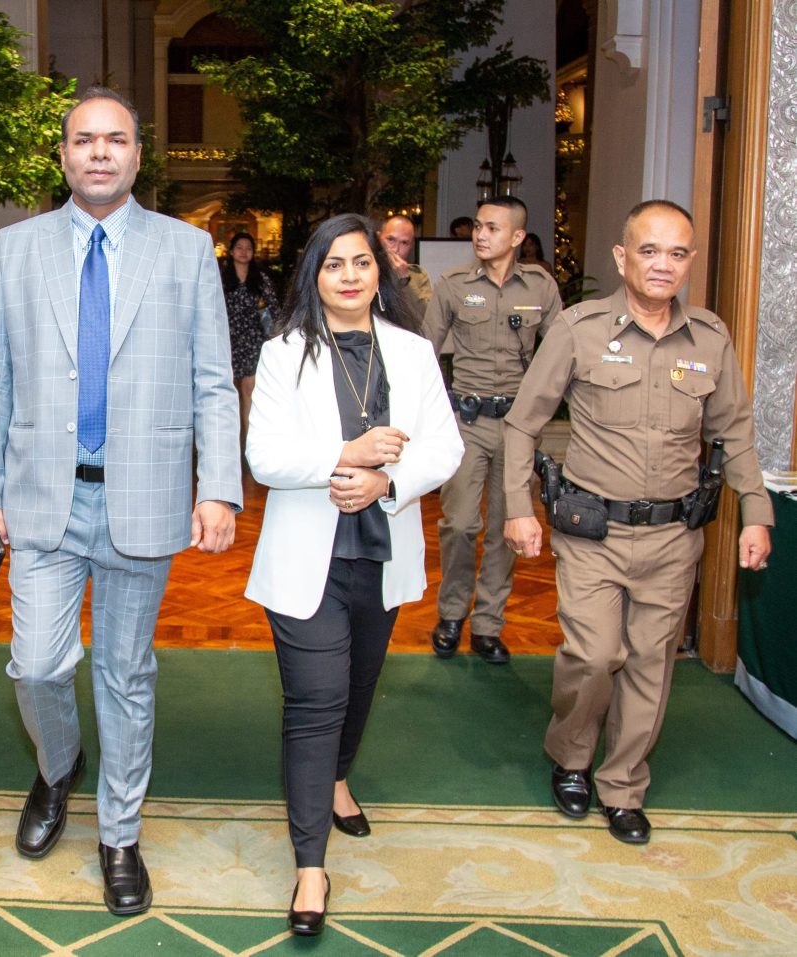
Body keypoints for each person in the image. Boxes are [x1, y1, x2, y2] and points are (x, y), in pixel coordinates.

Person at [0, 86, 241, 917]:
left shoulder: (186, 249)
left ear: (137, 156)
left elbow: (213, 380)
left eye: (115, 139)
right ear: (62, 156)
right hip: (40, 497)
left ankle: (120, 834)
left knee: (125, 674)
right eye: (84, 139)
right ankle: (58, 767)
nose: (99, 152)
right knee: (37, 664)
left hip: (143, 499)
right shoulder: (16, 248)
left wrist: (218, 486)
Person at [503, 200, 772, 844]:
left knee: (652, 663)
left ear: (690, 261)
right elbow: (522, 422)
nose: (662, 264)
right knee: (595, 656)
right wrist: (517, 507)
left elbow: (734, 434)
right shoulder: (579, 328)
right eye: (649, 251)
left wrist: (756, 514)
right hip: (593, 531)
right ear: (623, 257)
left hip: (675, 537)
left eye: (676, 253)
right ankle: (572, 755)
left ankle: (622, 785)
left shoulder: (709, 337)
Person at [245, 214, 463, 936]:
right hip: (305, 559)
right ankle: (311, 866)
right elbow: (265, 457)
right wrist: (351, 453)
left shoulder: (413, 351)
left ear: (380, 272)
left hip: (382, 550)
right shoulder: (284, 353)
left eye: (361, 262)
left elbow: (445, 447)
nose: (348, 275)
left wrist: (386, 481)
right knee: (316, 699)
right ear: (314, 274)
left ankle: (339, 776)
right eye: (333, 263)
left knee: (361, 683)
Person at [423, 196, 562, 664]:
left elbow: (561, 356)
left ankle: (487, 625)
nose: (480, 235)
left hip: (519, 427)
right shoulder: (453, 284)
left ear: (518, 237)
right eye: (478, 226)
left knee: (508, 526)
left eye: (492, 228)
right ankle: (451, 614)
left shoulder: (541, 287)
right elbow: (424, 354)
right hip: (467, 423)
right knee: (460, 523)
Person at [220, 231, 281, 449]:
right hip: (226, 342)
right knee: (227, 395)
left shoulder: (261, 279)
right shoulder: (220, 279)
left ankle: (248, 446)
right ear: (231, 251)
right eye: (239, 247)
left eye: (248, 248)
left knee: (249, 393)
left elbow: (274, 309)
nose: (244, 252)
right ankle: (228, 445)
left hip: (254, 341)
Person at [378, 215, 433, 321]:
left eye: (404, 243)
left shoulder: (418, 276)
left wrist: (405, 282)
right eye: (390, 239)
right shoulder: (363, 272)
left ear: (411, 246)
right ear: (378, 238)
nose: (395, 249)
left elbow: (426, 318)